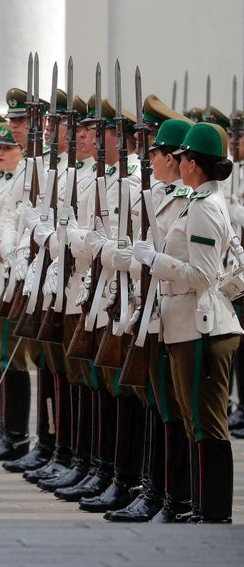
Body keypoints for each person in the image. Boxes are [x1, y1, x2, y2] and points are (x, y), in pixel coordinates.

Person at [129, 122, 240, 523]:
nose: (177, 162)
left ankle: (212, 512)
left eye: (181, 157)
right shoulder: (199, 202)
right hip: (188, 325)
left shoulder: (205, 209)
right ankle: (199, 506)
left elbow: (203, 276)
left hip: (203, 328)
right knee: (195, 421)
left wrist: (157, 262)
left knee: (206, 422)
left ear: (192, 164)